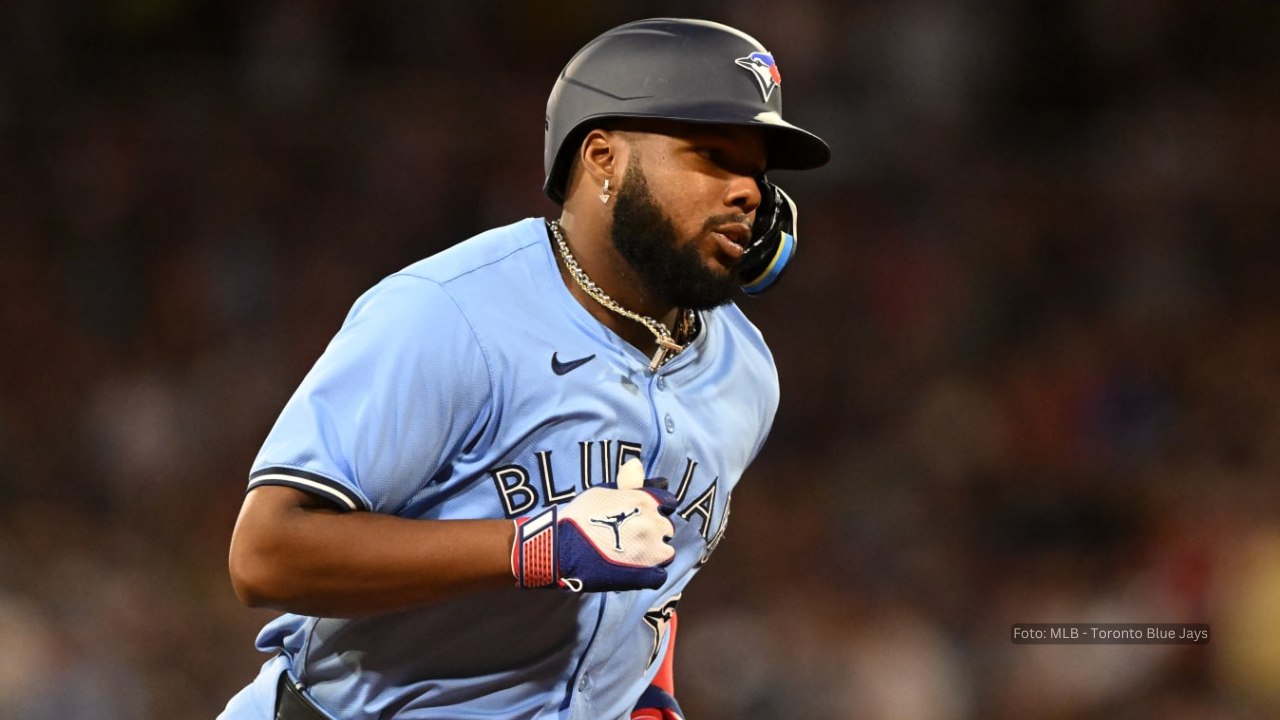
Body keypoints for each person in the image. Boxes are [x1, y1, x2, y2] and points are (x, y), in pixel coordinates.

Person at [219, 17, 829, 720]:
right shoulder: (450, 314)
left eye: (756, 171)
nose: (749, 193)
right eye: (712, 156)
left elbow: (655, 581)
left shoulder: (745, 372)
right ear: (603, 159)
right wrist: (535, 548)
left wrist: (650, 693)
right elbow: (266, 554)